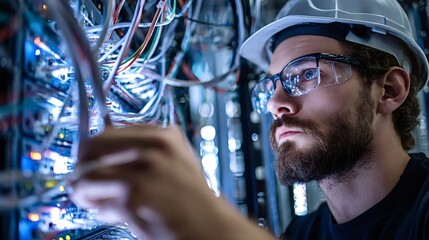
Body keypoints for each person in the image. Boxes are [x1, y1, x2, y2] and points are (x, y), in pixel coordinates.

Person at [70, 0, 429, 239]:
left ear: (389, 90)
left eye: (305, 74)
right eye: (270, 84)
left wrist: (205, 220)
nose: (276, 102)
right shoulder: (302, 234)